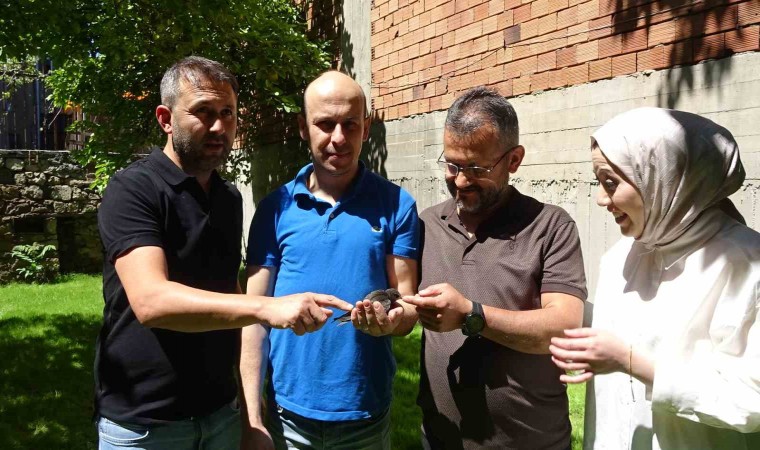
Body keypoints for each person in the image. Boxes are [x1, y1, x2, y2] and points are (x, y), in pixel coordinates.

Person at [95, 57, 351, 449]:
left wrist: (250, 414)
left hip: (220, 415)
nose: (218, 127)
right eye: (203, 112)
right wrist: (266, 307)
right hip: (145, 424)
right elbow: (151, 302)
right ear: (165, 118)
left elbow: (229, 298)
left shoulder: (227, 198)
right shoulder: (134, 190)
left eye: (227, 113)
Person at [549, 107, 760, 449]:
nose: (601, 199)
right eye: (599, 182)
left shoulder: (747, 264)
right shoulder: (620, 257)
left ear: (664, 178)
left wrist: (632, 363)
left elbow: (751, 398)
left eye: (611, 182)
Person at [239, 70, 420, 450]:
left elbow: (407, 304)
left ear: (366, 128)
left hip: (364, 413)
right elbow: (253, 317)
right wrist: (253, 418)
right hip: (287, 414)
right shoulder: (275, 209)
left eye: (350, 125)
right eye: (324, 124)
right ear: (303, 128)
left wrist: (391, 322)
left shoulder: (397, 205)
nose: (338, 138)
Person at [403, 86, 587, 449]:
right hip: (441, 440)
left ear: (514, 160)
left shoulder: (551, 227)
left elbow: (564, 328)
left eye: (476, 168)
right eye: (452, 165)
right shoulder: (427, 224)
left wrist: (471, 316)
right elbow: (407, 305)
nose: (460, 180)